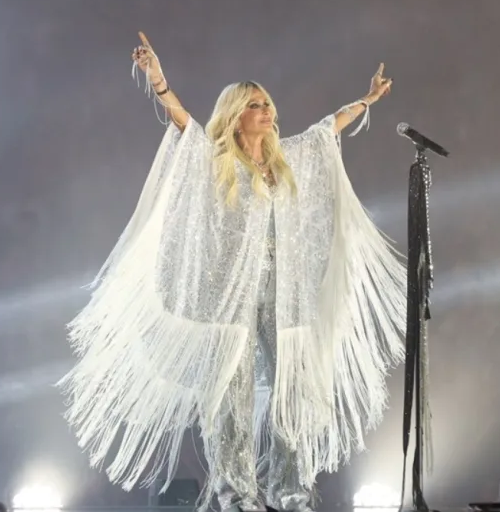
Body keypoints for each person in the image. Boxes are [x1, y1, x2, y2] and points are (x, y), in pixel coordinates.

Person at [58, 32, 406, 512]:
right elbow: (184, 124)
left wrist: (367, 99)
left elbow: (329, 128)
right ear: (236, 113)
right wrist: (158, 80)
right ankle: (236, 494)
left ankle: (289, 491)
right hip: (231, 294)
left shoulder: (287, 160)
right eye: (255, 104)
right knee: (231, 395)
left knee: (290, 389)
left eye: (268, 104)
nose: (267, 111)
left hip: (281, 291)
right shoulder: (218, 158)